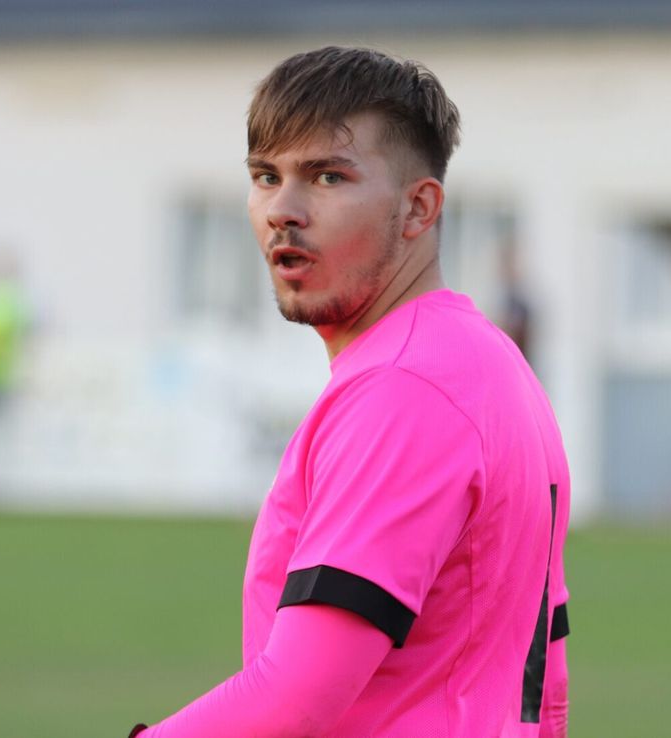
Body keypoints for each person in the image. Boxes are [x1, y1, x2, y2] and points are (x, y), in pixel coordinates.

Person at [130, 47, 572, 737]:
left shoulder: (405, 387)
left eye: (327, 176)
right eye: (265, 176)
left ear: (418, 208)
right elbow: (545, 690)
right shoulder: (488, 364)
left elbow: (300, 697)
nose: (283, 209)